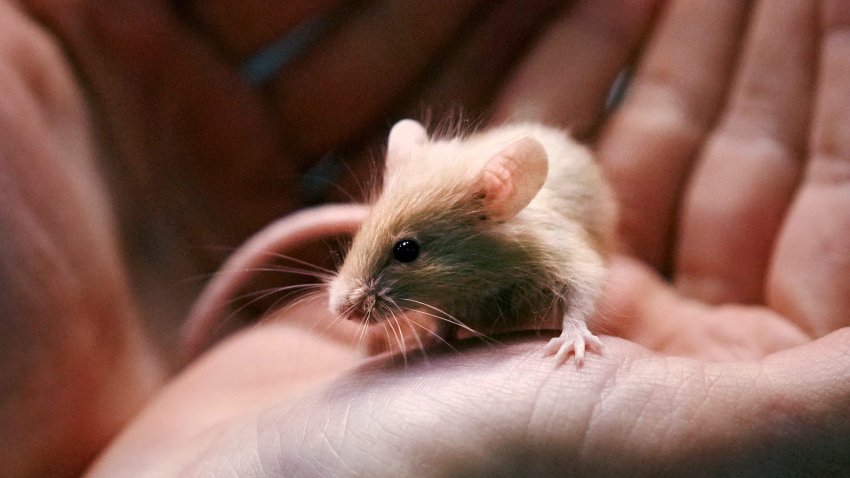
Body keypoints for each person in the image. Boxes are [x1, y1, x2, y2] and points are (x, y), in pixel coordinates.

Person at [1, 0, 848, 476]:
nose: (352, 293)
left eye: (403, 254)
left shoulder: (523, 221)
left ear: (498, 203)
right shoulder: (443, 209)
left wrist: (577, 328)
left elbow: (582, 273)